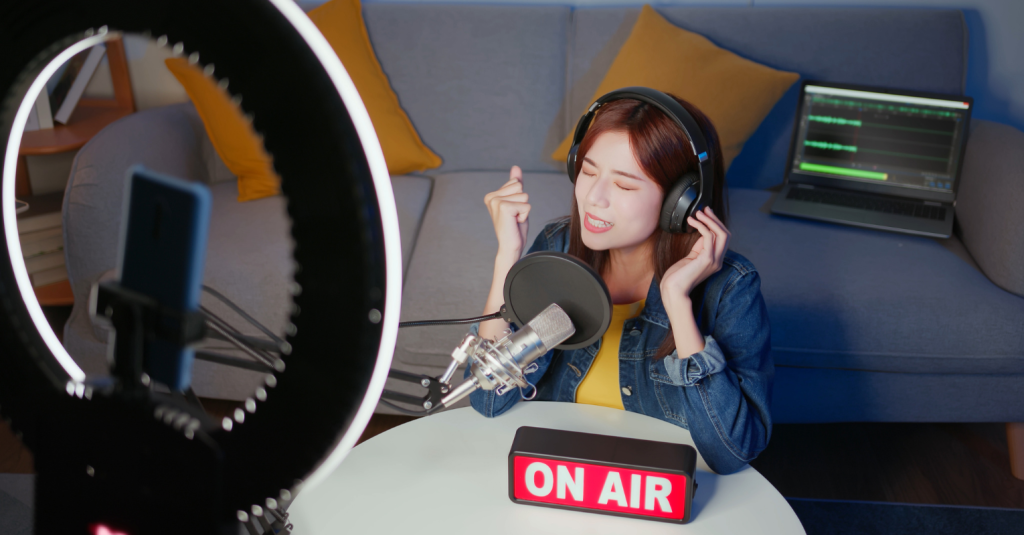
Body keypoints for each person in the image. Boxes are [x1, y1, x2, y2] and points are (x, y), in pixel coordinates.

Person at [469, 93, 773, 475]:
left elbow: (731, 453)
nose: (593, 199)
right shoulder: (558, 246)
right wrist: (507, 258)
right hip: (559, 478)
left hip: (653, 492)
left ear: (681, 202)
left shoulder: (732, 288)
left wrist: (678, 304)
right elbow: (487, 400)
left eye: (625, 186)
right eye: (589, 171)